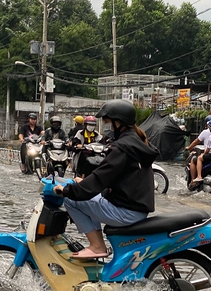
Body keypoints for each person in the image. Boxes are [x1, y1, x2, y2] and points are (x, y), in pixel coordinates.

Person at [53, 99, 158, 259]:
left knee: (71, 200)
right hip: (135, 208)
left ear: (119, 122)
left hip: (126, 211)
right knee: (83, 193)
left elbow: (100, 178)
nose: (110, 128)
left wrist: (67, 190)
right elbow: (111, 179)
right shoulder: (135, 143)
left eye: (110, 123)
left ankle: (96, 246)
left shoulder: (122, 148)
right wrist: (84, 183)